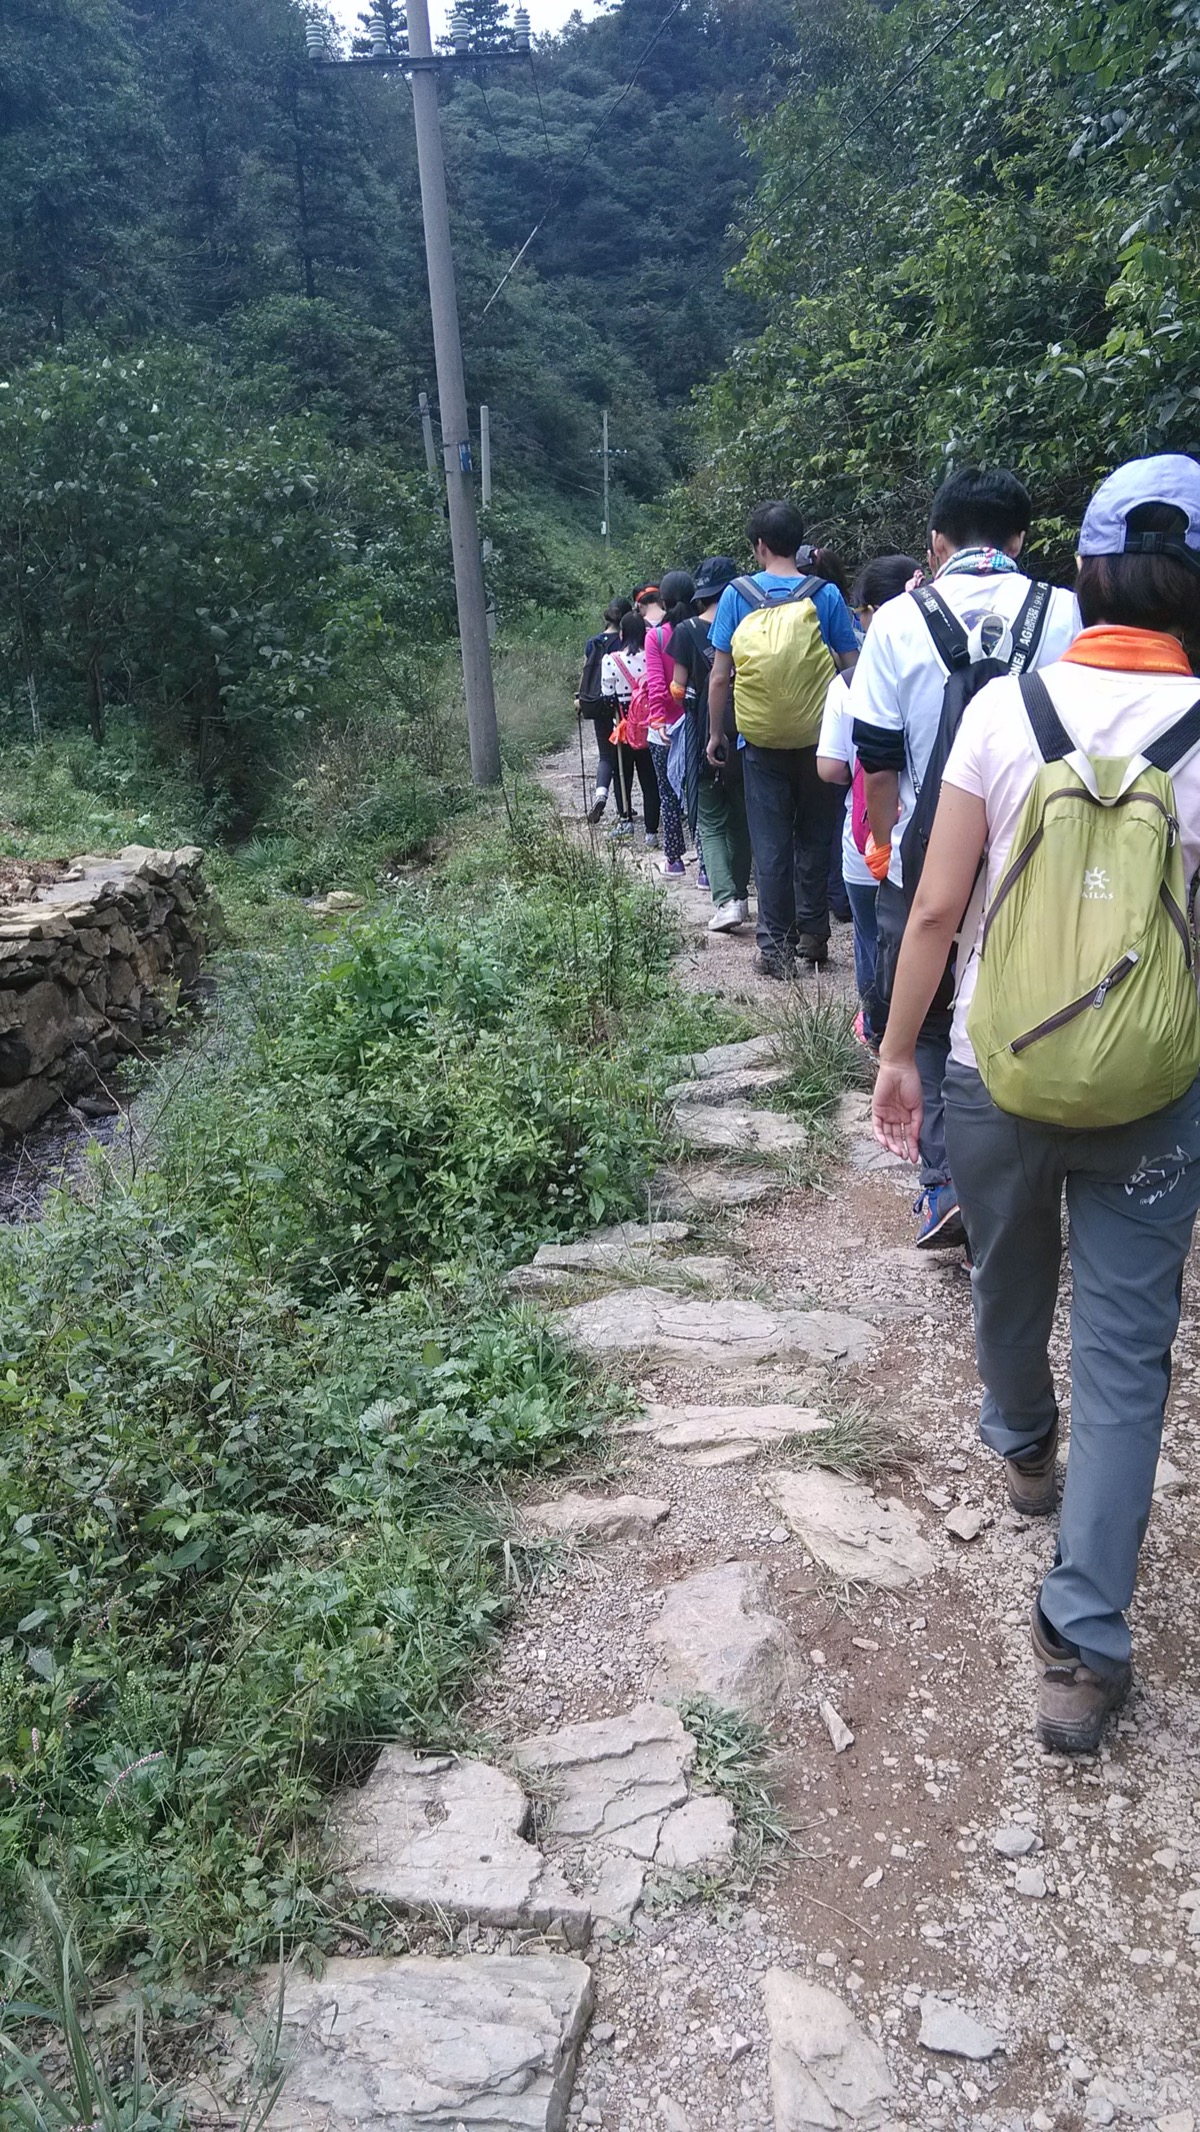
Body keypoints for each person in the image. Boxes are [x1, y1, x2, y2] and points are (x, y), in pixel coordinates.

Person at [872, 455, 1200, 1755]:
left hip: (992, 1070)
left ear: (1088, 570)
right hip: (1156, 1092)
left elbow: (935, 907)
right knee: (1127, 1356)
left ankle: (1020, 1442)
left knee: (1009, 1281)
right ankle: (1083, 1642)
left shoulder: (1009, 712)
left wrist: (899, 1053)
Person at [850, 467, 1079, 1247]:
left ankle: (947, 1181)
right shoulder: (1066, 611)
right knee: (1035, 999)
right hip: (1041, 852)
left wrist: (885, 841)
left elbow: (879, 758)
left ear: (936, 543)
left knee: (928, 1015)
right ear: (1020, 538)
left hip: (925, 851)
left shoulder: (896, 621)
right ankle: (1035, 1170)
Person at [707, 501, 859, 978]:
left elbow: (719, 676)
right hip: (818, 739)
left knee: (770, 842)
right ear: (799, 543)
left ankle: (775, 949)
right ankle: (814, 936)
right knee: (815, 834)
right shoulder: (825, 595)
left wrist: (716, 733)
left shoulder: (737, 596)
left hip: (760, 742)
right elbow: (852, 666)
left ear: (760, 546)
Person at [817, 554, 920, 1045]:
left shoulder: (848, 684)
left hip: (866, 842)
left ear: (872, 612)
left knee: (869, 935)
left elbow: (830, 767)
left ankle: (877, 1028)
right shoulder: (942, 669)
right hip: (933, 837)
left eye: (859, 614)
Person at [669, 555, 749, 930]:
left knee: (711, 820)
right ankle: (742, 897)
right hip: (750, 728)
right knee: (741, 819)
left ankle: (726, 901)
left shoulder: (686, 631)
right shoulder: (751, 622)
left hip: (706, 730)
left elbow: (678, 689)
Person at [644, 569, 695, 879]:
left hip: (665, 729)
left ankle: (674, 860)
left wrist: (659, 719)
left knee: (668, 795)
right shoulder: (701, 628)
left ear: (662, 601)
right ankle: (707, 869)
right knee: (700, 795)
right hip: (697, 725)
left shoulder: (657, 636)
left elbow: (656, 684)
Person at [601, 609, 661, 843]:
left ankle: (626, 821)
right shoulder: (652, 658)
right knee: (650, 779)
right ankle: (651, 832)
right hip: (649, 726)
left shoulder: (611, 660)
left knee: (622, 774)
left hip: (624, 726)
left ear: (622, 633)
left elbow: (607, 700)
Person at [576, 597, 631, 824]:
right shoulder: (624, 641)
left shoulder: (593, 642)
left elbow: (586, 671)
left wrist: (579, 697)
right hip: (620, 704)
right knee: (622, 757)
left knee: (605, 755)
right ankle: (624, 808)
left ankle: (600, 795)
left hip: (596, 702)